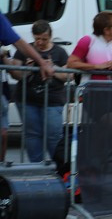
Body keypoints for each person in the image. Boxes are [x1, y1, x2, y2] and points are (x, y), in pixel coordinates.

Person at [6, 20, 71, 162]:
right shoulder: (25, 50)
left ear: (51, 37)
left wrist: (53, 69)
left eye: (44, 39)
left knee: (53, 135)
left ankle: (58, 168)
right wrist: (28, 70)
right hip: (28, 100)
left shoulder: (60, 52)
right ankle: (36, 168)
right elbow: (16, 74)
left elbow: (69, 75)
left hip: (53, 100)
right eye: (37, 39)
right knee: (32, 134)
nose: (40, 42)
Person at [67, 11, 112, 80]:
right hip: (91, 88)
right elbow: (71, 63)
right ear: (106, 30)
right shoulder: (87, 41)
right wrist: (97, 66)